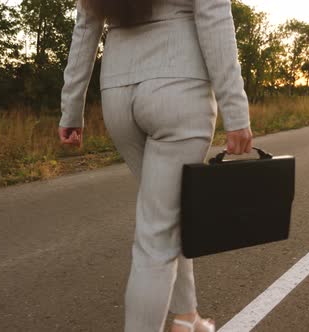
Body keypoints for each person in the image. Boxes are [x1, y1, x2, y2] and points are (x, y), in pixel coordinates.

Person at [58, 0, 253, 331]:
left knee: (167, 215)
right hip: (179, 87)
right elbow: (214, 16)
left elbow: (86, 26)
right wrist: (235, 111)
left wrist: (71, 109)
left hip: (118, 94)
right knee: (157, 236)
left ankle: (187, 318)